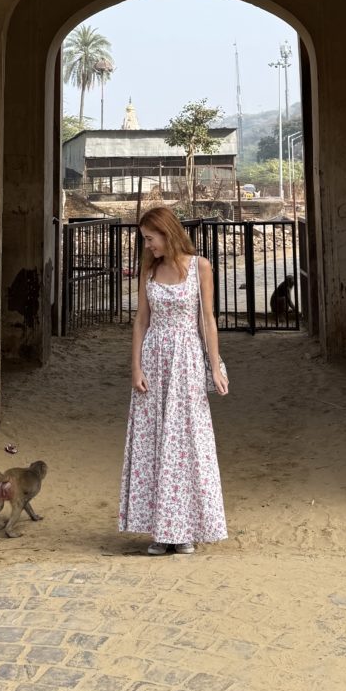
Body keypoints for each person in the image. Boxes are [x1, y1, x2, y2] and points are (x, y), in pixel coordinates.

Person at [118, 205, 228, 555]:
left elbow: (207, 320)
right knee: (154, 442)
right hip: (154, 357)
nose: (147, 246)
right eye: (144, 240)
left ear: (168, 233)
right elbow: (140, 321)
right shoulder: (149, 270)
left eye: (150, 239)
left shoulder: (200, 267)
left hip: (186, 360)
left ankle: (184, 529)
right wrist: (135, 367)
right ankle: (160, 530)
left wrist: (215, 366)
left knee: (185, 442)